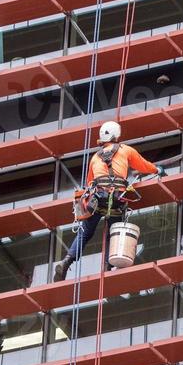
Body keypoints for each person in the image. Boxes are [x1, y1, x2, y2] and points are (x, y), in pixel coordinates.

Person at [54, 120, 161, 280]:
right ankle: (107, 266)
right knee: (114, 231)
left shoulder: (95, 158)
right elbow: (143, 165)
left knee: (85, 232)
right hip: (116, 199)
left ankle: (67, 260)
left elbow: (90, 182)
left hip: (97, 199)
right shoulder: (125, 150)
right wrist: (157, 169)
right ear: (116, 135)